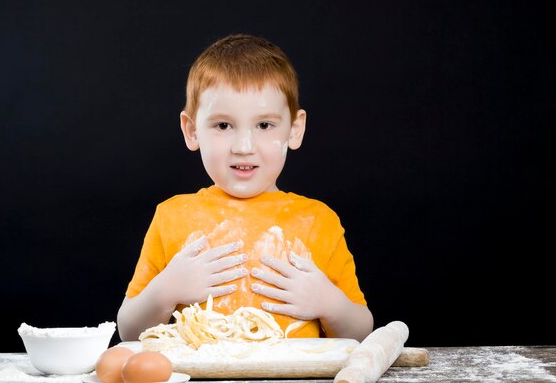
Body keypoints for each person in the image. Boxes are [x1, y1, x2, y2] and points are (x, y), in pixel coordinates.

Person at [117, 34, 373, 342]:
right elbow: (129, 331)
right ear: (191, 130)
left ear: (294, 129)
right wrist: (166, 290)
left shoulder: (318, 221)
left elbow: (361, 331)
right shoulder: (172, 217)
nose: (243, 146)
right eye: (223, 125)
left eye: (264, 125)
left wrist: (329, 304)